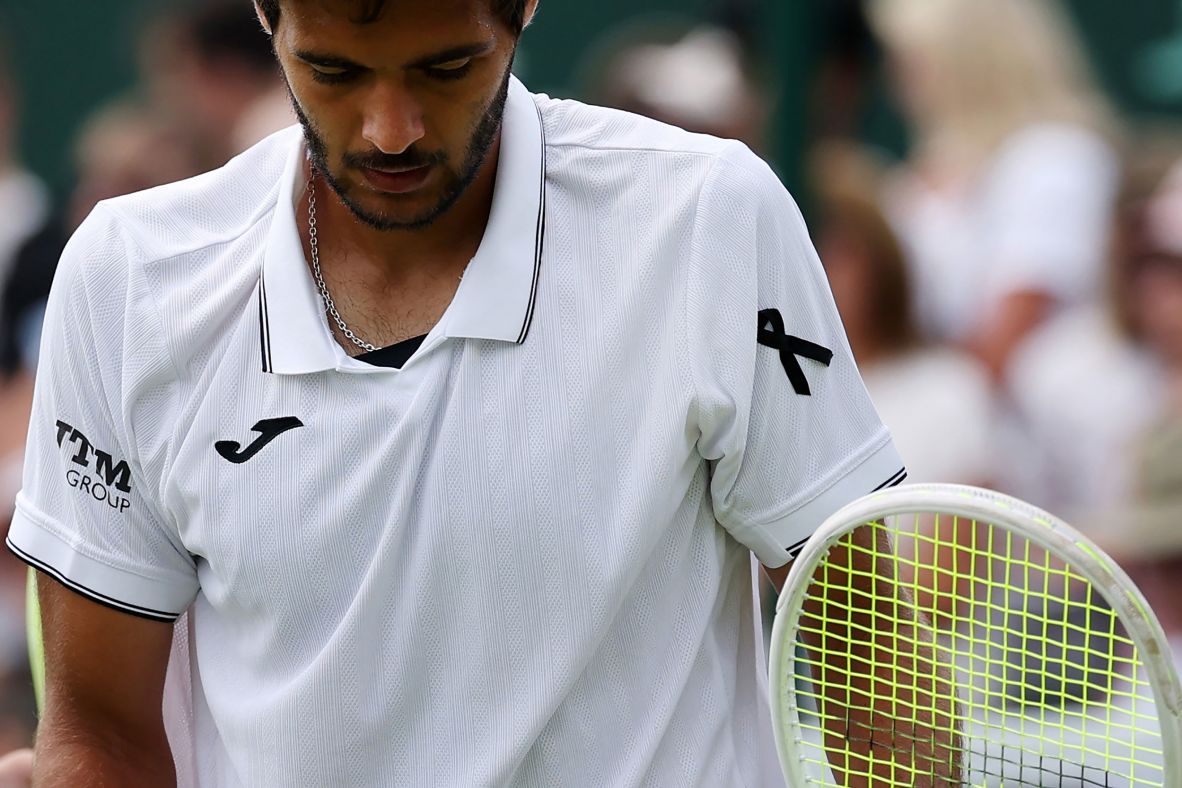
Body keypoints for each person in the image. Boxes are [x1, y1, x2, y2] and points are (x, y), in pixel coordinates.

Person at [6, 2, 917, 785]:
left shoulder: (710, 218)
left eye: (447, 67)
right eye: (332, 70)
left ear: (520, 9)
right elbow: (100, 727)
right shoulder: (127, 277)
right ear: (264, 18)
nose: (389, 128)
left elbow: (872, 668)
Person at [868, 0, 1120, 382]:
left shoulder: (1055, 159)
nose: (897, 80)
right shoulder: (916, 179)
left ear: (967, 61)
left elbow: (1005, 342)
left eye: (912, 62)